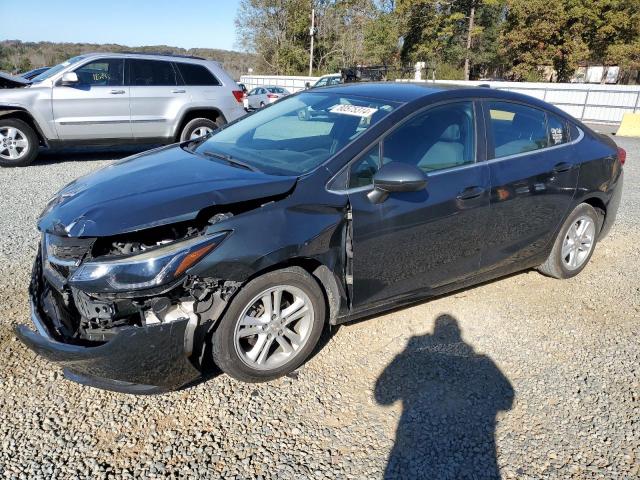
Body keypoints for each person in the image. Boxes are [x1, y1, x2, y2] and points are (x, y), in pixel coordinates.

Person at [375, 314, 514, 479]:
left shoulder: (414, 353)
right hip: (476, 453)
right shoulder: (482, 361)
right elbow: (507, 401)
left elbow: (382, 398)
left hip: (411, 449)